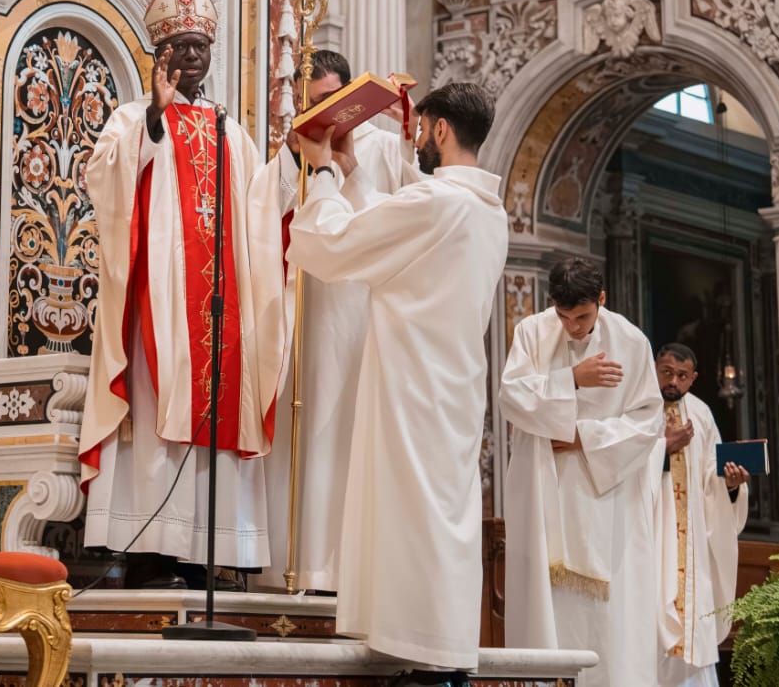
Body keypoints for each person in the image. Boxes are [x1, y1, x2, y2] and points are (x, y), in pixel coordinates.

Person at [285, 82, 509, 684]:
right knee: (440, 517)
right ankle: (444, 658)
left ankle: (430, 664)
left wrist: (323, 172)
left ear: (440, 129)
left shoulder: (438, 201)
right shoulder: (489, 212)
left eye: (422, 131)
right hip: (453, 386)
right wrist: (353, 174)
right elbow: (395, 233)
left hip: (413, 383)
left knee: (415, 515)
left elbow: (331, 245)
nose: (418, 143)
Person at [77, 0, 287, 586]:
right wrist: (153, 120)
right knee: (157, 419)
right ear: (160, 54)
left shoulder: (231, 132)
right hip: (158, 307)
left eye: (200, 47)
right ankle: (149, 553)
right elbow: (103, 181)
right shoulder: (132, 119)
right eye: (179, 47)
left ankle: (203, 555)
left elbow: (262, 207)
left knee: (214, 419)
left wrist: (299, 166)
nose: (191, 57)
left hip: (221, 307)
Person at [251, 50, 412, 595]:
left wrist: (366, 158)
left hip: (362, 318)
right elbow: (265, 216)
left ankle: (348, 572)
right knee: (306, 437)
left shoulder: (382, 148)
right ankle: (292, 564)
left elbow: (406, 217)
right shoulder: (290, 154)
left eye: (336, 100)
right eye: (316, 102)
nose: (328, 112)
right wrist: (297, 157)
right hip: (306, 317)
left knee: (354, 438)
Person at [499, 258, 663, 687]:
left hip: (608, 502)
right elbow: (511, 397)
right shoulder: (532, 332)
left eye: (583, 317)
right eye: (564, 316)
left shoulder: (631, 341)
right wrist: (571, 378)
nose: (572, 327)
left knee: (609, 624)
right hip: (546, 493)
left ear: (601, 299)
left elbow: (648, 421)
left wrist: (581, 437)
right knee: (548, 612)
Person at [653, 342, 750, 687]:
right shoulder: (638, 408)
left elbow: (712, 475)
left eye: (682, 375)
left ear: (693, 378)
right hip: (650, 536)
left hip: (692, 544)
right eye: (666, 372)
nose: (673, 382)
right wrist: (663, 448)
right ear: (654, 369)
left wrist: (731, 485)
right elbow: (621, 466)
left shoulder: (702, 414)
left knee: (692, 625)